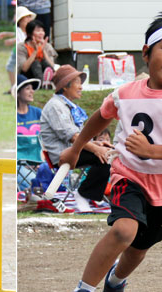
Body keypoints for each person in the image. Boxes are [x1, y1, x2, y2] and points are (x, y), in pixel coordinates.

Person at [60, 10, 162, 292]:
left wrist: (150, 149)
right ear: (146, 52)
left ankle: (115, 283)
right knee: (123, 230)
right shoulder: (125, 93)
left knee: (138, 248)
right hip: (128, 176)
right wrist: (76, 150)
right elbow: (99, 117)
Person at [40, 65, 113, 202]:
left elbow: (78, 136)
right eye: (77, 83)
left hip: (75, 149)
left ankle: (97, 194)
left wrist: (96, 144)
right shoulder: (56, 106)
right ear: (65, 86)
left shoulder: (68, 106)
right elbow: (73, 136)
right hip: (62, 154)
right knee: (105, 156)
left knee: (112, 151)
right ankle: (85, 195)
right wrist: (96, 148)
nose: (81, 87)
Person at [17, 19, 57, 84]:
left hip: (44, 72)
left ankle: (48, 82)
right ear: (30, 34)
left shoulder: (47, 46)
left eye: (42, 31)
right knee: (35, 63)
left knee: (44, 62)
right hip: (28, 76)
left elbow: (53, 66)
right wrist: (35, 51)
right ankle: (41, 84)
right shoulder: (21, 47)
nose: (41, 33)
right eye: (38, 31)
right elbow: (24, 68)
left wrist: (43, 50)